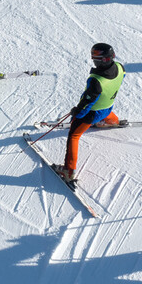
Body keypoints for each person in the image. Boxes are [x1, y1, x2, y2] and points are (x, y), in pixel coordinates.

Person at [51, 43, 123, 184]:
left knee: (74, 135)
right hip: (108, 107)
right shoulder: (120, 68)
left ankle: (68, 171)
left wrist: (76, 113)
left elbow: (86, 104)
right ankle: (113, 121)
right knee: (105, 111)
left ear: (100, 60)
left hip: (92, 114)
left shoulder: (96, 81)